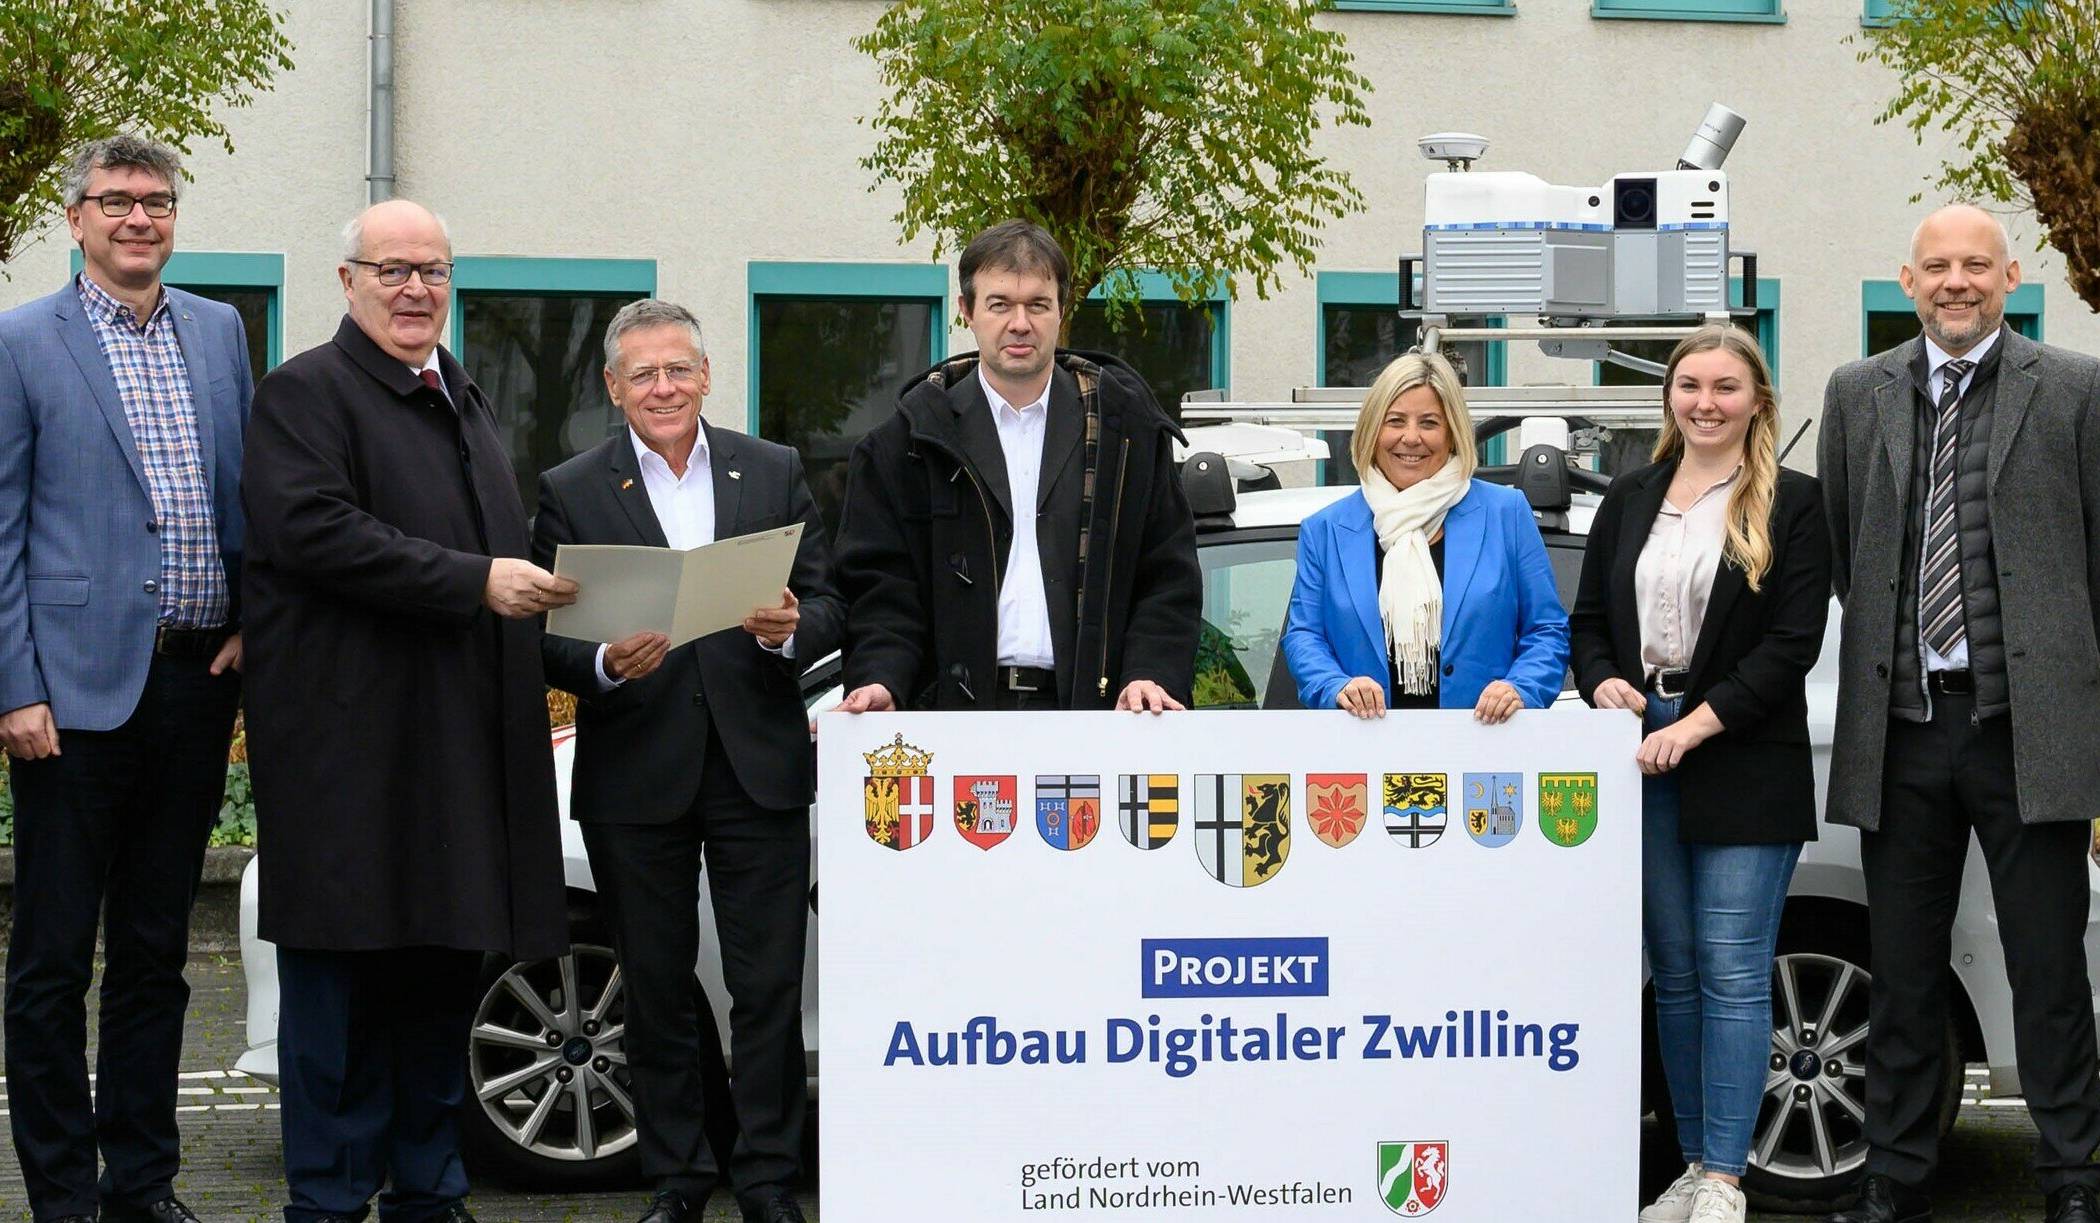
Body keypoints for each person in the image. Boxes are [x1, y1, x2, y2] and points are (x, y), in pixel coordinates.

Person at [241, 199, 576, 1223]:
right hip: (349, 757)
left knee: (438, 981)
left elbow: (507, 571)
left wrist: (595, 648)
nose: (415, 288)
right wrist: (477, 580)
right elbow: (313, 531)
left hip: (456, 752)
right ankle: (332, 1201)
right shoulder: (305, 393)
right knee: (341, 997)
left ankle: (429, 1190)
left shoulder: (464, 399)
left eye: (432, 270)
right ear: (347, 281)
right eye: (392, 269)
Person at [1818, 203, 2100, 1223]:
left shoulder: (2075, 388)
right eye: (1937, 265)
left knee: (2047, 965)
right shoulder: (1858, 392)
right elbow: (1855, 557)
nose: (1956, 281)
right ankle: (1893, 1174)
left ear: (2011, 275)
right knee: (1901, 967)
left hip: (2031, 729)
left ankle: (2072, 1175)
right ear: (1907, 278)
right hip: (1901, 729)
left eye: (1975, 264)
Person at [531, 299, 841, 1223]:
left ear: (706, 376)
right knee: (658, 988)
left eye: (678, 370)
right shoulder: (571, 487)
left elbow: (832, 602)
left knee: (768, 988)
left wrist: (794, 630)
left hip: (760, 767)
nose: (662, 388)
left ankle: (771, 1180)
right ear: (613, 386)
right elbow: (543, 631)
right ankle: (676, 1179)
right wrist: (595, 662)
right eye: (643, 374)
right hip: (636, 768)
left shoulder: (773, 468)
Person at [0, 134, 250, 1223]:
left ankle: (141, 1184)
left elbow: (244, 490)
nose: (138, 217)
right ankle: (61, 1194)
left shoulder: (220, 330)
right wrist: (14, 685)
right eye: (116, 200)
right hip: (70, 697)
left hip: (196, 685)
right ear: (77, 220)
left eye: (155, 200)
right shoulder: (20, 341)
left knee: (155, 956)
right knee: (54, 958)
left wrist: (253, 618)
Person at [1569, 326, 1830, 1223]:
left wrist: (1698, 725)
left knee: (1731, 968)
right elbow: (1590, 619)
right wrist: (1603, 677)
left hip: (1743, 749)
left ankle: (1726, 1174)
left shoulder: (1794, 502)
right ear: (1669, 397)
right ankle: (1689, 1160)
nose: (1705, 402)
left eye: (1725, 386)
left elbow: (1795, 643)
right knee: (1672, 971)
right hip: (1639, 737)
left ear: (1757, 398)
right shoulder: (1631, 494)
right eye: (1690, 385)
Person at [833, 219, 1199, 713]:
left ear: (1062, 310)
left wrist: (1148, 673)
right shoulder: (905, 445)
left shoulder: (1127, 435)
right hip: (950, 722)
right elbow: (881, 590)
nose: (1020, 323)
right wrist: (882, 679)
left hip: (1102, 719)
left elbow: (1167, 577)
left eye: (1037, 305)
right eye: (1000, 304)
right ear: (967, 310)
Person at [1280, 350, 1566, 720]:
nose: (1410, 438)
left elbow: (1547, 630)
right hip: (1364, 754)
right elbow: (1304, 637)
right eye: (1395, 421)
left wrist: (1520, 687)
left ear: (1452, 434)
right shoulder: (1325, 530)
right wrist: (1337, 685)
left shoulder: (1506, 514)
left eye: (1429, 423)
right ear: (1372, 430)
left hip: (1484, 752)